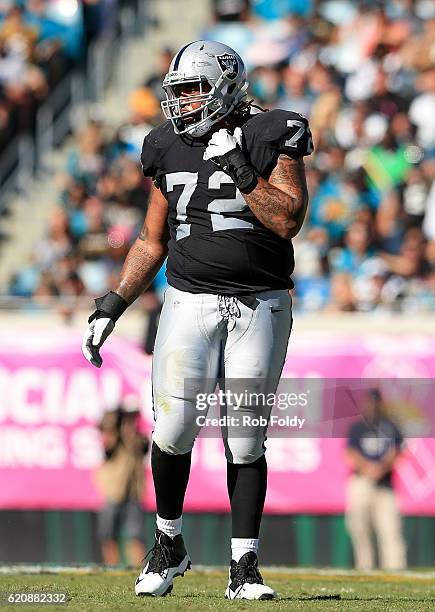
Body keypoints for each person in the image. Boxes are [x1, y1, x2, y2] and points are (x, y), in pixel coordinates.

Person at [82, 40, 312, 599]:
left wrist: (236, 164)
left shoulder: (271, 132)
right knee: (174, 428)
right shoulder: (164, 144)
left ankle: (244, 565)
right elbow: (151, 238)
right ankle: (169, 543)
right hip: (188, 301)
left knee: (246, 436)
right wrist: (114, 302)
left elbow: (288, 221)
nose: (183, 102)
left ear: (228, 85)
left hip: (260, 303)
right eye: (177, 92)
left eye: (194, 89)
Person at [345, 389, 407, 570]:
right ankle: (364, 567)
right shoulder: (358, 426)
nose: (372, 406)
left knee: (391, 529)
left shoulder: (390, 426)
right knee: (359, 527)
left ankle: (395, 569)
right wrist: (368, 468)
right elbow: (350, 452)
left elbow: (397, 451)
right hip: (361, 481)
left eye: (375, 402)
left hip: (385, 484)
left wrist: (381, 468)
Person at [94, 399, 149, 567]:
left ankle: (139, 569)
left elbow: (140, 446)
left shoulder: (140, 439)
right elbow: (106, 441)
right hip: (114, 492)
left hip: (133, 494)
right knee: (109, 536)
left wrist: (129, 430)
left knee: (135, 536)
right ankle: (112, 569)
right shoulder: (113, 436)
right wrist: (116, 422)